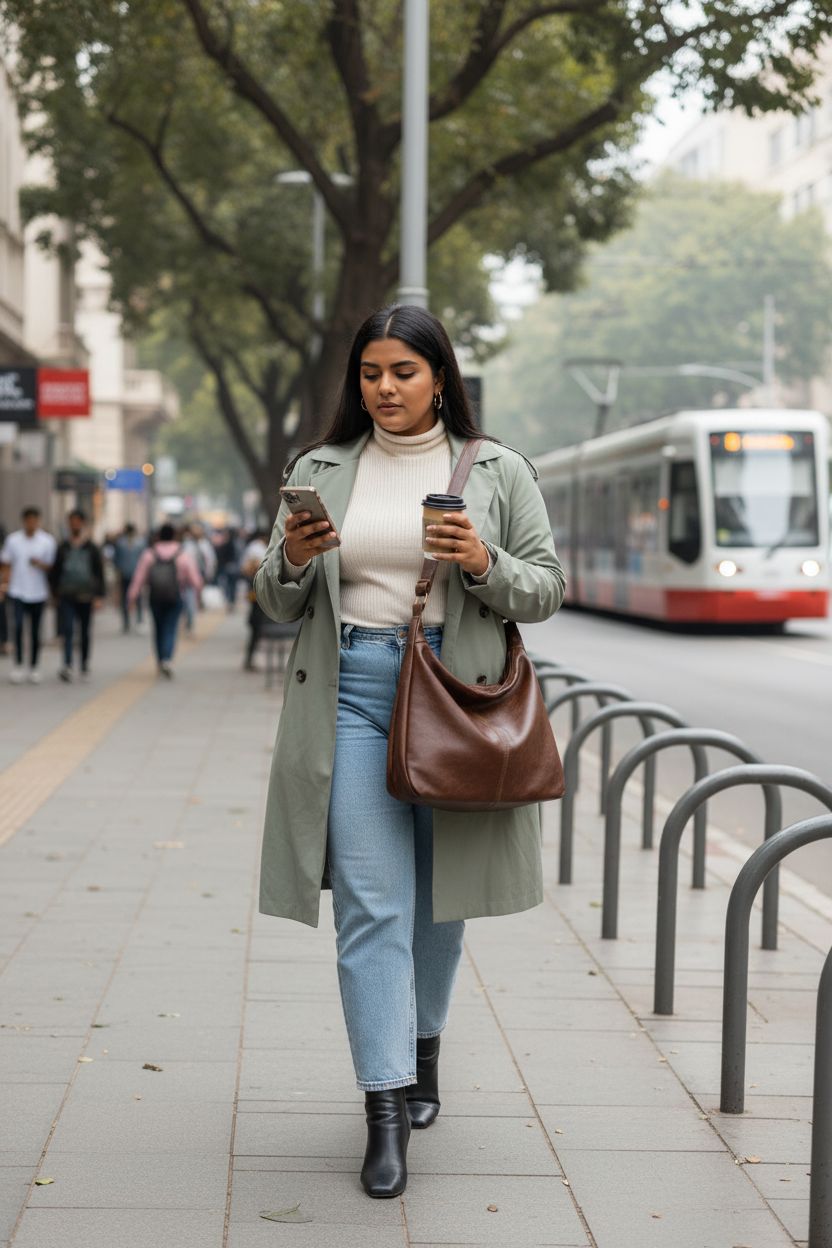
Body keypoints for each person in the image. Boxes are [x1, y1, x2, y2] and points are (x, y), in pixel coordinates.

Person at [254, 305, 565, 1198]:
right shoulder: (318, 469)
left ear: (439, 378)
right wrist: (290, 560)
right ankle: (384, 1109)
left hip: (453, 702)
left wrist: (481, 560)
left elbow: (544, 589)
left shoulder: (497, 470)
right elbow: (276, 600)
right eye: (369, 374)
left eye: (402, 373)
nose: (383, 389)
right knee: (371, 905)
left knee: (439, 904)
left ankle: (423, 1049)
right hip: (349, 695)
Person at [126, 523, 202, 677]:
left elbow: (139, 577)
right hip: (175, 597)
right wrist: (198, 595)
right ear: (174, 535)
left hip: (155, 597)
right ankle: (167, 658)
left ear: (159, 536)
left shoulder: (149, 554)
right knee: (170, 628)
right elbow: (195, 580)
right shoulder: (182, 554)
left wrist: (131, 597)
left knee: (158, 629)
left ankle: (160, 660)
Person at [0, 505, 57, 685]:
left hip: (38, 592)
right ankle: (18, 665)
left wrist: (40, 564)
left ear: (38, 521)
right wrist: (3, 586)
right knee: (17, 627)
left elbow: (52, 567)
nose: (31, 523)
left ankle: (34, 666)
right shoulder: (13, 540)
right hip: (17, 591)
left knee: (34, 630)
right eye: (28, 520)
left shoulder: (47, 541)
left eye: (34, 520)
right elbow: (6, 565)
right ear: (24, 521)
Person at [50, 509, 106, 682]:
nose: (74, 525)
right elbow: (55, 572)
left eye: (77, 521)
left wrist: (98, 596)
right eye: (71, 521)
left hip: (86, 595)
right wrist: (54, 593)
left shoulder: (92, 548)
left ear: (82, 523)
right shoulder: (63, 547)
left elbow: (99, 573)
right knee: (67, 629)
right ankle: (67, 664)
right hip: (66, 595)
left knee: (84, 631)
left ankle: (83, 662)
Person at [240, 528, 269, 671]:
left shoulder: (252, 548)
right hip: (258, 598)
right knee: (255, 628)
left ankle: (249, 659)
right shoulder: (259, 549)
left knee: (254, 628)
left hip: (255, 598)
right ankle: (249, 660)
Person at [181, 522, 217, 632]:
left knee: (192, 599)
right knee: (189, 599)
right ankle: (189, 620)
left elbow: (210, 561)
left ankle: (190, 620)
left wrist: (208, 574)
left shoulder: (203, 544)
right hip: (189, 578)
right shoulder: (187, 545)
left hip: (198, 576)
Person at [112, 523, 146, 632]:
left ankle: (130, 620)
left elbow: (116, 560)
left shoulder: (123, 543)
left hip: (128, 573)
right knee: (135, 597)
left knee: (128, 597)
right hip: (133, 574)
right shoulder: (139, 542)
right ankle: (135, 619)